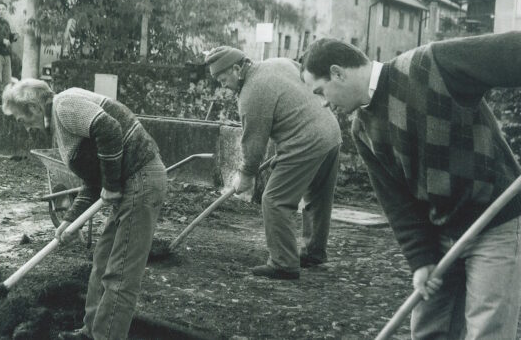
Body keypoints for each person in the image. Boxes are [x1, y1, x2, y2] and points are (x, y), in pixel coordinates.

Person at [301, 32, 521, 339]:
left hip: (495, 221)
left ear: (337, 72)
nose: (323, 104)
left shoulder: (431, 64)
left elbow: (513, 51)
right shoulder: (361, 127)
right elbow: (398, 204)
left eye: (320, 91)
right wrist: (420, 260)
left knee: (488, 329)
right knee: (429, 328)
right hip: (442, 230)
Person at [2, 79, 167, 340]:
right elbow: (94, 180)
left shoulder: (65, 105)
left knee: (120, 274)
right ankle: (91, 332)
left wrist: (111, 185)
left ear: (33, 107)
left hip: (141, 178)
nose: (24, 128)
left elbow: (109, 129)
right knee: (102, 262)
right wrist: (71, 220)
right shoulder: (60, 126)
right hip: (128, 184)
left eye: (21, 119)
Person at [205, 46, 342, 280]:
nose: (222, 85)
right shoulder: (278, 62)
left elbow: (254, 144)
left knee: (275, 200)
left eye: (222, 78)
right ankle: (314, 252)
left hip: (305, 141)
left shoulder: (250, 94)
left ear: (237, 69)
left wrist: (246, 175)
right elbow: (306, 88)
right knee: (317, 196)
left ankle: (284, 263)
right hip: (330, 133)